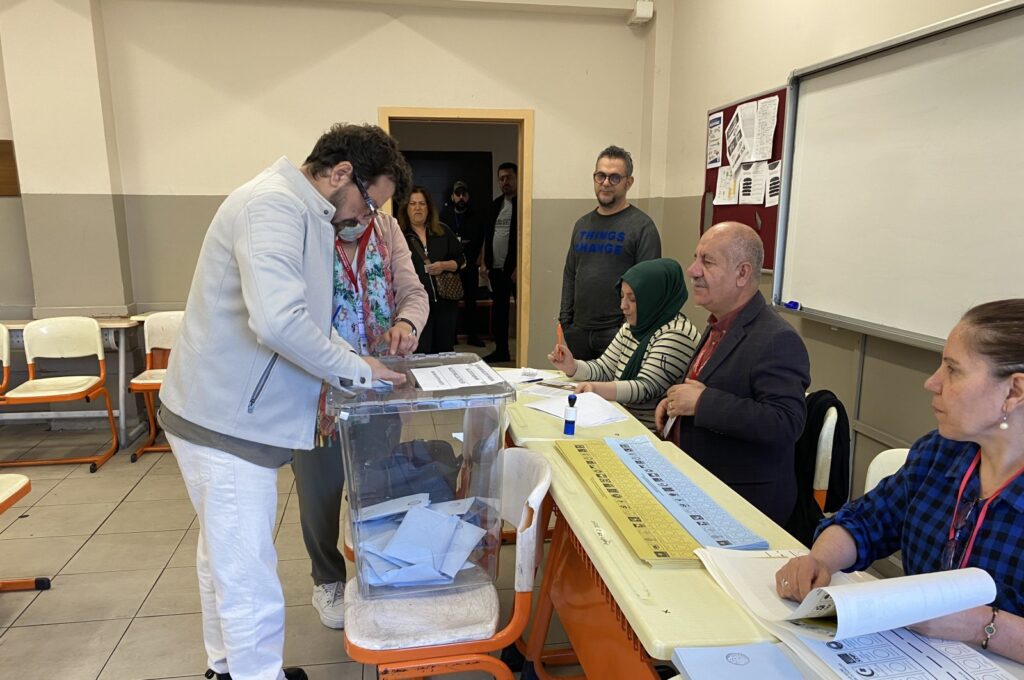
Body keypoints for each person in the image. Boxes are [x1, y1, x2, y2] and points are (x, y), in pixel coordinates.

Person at [158, 123, 411, 680]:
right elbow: (278, 322)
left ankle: (226, 667)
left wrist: (362, 365)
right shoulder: (272, 206)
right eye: (369, 204)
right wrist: (355, 367)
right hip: (223, 422)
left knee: (220, 558)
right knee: (248, 576)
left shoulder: (307, 215)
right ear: (341, 174)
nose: (366, 220)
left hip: (226, 414)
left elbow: (311, 320)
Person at [775, 299, 1024, 663]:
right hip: (911, 660)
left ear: (1014, 391)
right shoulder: (942, 452)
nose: (932, 382)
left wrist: (981, 626)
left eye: (953, 370)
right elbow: (866, 521)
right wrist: (820, 560)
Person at [291, 188, 428, 631]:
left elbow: (413, 291)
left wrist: (406, 323)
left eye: (377, 206)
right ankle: (327, 578)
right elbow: (295, 316)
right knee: (321, 492)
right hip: (318, 395)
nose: (367, 215)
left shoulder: (387, 230)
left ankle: (378, 570)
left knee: (375, 484)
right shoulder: (307, 231)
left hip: (380, 389)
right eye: (364, 203)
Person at [654, 222, 810, 524]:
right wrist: (675, 404)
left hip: (739, 502)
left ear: (742, 273)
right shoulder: (720, 323)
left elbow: (785, 423)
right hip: (694, 482)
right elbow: (717, 384)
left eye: (707, 261)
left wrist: (701, 404)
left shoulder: (777, 338)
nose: (692, 270)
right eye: (695, 258)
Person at [548, 258, 700, 432]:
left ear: (654, 298)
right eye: (621, 297)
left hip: (646, 432)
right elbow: (604, 368)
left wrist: (596, 389)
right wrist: (572, 366)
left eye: (633, 299)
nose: (623, 306)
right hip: (620, 421)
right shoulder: (633, 326)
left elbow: (645, 387)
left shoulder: (676, 334)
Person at [559, 146, 661, 360]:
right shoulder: (582, 224)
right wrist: (565, 322)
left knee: (614, 393)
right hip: (578, 332)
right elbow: (570, 274)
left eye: (615, 177)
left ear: (628, 182)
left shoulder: (642, 227)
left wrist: (628, 330)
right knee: (580, 391)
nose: (606, 183)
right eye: (601, 176)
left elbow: (649, 287)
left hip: (618, 335)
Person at [400, 186, 465, 353]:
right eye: (413, 203)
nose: (417, 207)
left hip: (445, 302)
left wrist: (444, 265)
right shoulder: (399, 235)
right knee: (421, 350)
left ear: (428, 207)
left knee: (445, 350)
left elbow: (462, 260)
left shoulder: (442, 231)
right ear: (406, 208)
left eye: (422, 203)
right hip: (416, 305)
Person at [440, 180, 486, 347]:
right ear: (452, 197)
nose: (461, 198)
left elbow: (483, 239)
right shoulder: (444, 217)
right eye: (457, 194)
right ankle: (451, 336)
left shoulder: (476, 216)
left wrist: (481, 260)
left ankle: (473, 336)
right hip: (451, 268)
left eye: (463, 194)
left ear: (468, 196)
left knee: (471, 303)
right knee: (450, 303)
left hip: (471, 266)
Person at [480, 162, 518, 363]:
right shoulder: (496, 205)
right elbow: (489, 235)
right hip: (496, 270)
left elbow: (527, 238)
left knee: (521, 311)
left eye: (509, 177)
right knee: (499, 313)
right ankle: (502, 350)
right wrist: (484, 262)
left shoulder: (522, 205)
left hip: (515, 270)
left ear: (517, 178)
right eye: (501, 178)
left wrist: (520, 266)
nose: (505, 182)